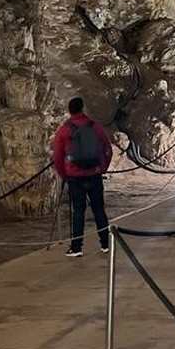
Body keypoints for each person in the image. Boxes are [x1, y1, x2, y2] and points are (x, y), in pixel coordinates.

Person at [51, 96, 113, 257]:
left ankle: (77, 247)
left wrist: (64, 174)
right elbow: (107, 148)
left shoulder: (64, 129)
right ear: (83, 108)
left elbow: (57, 155)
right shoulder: (95, 126)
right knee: (99, 209)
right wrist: (103, 167)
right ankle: (106, 244)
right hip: (94, 174)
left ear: (69, 110)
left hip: (75, 177)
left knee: (78, 211)